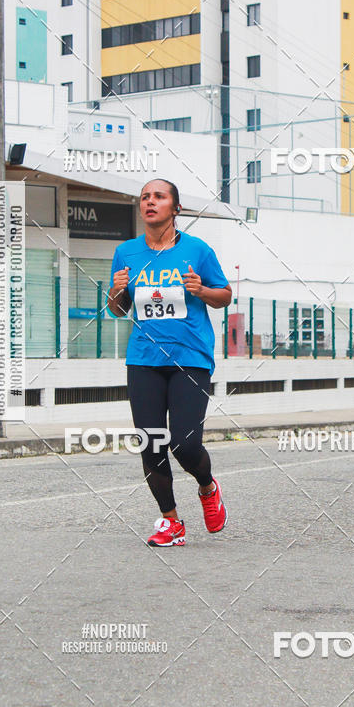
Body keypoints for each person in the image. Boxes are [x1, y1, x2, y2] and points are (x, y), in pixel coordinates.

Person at [107, 179, 232, 547]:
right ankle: (170, 521)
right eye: (145, 197)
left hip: (189, 359)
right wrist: (116, 291)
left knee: (184, 443)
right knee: (151, 441)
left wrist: (202, 290)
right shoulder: (126, 252)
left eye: (159, 197)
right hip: (144, 358)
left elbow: (224, 295)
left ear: (175, 209)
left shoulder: (198, 250)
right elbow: (118, 309)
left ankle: (208, 488)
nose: (150, 202)